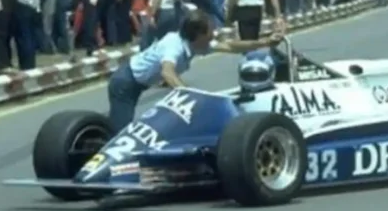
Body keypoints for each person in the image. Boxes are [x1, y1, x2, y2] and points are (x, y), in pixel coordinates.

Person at [107, 8, 282, 133]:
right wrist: (191, 96)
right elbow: (167, 72)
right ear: (197, 34)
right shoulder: (173, 45)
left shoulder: (196, 45)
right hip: (125, 83)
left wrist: (265, 42)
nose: (213, 35)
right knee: (121, 133)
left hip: (136, 83)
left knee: (118, 123)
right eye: (210, 32)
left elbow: (230, 45)